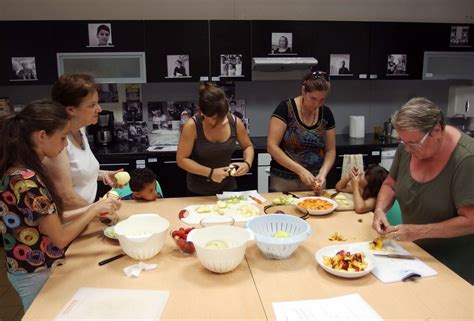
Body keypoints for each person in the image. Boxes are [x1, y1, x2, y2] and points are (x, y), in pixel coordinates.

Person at [0, 100, 120, 312]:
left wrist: (98, 206)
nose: (65, 145)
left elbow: (51, 219)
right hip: (33, 271)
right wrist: (92, 209)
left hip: (39, 266)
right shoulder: (26, 181)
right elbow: (60, 236)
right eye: (63, 138)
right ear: (42, 136)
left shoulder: (24, 170)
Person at [371, 97, 474, 284]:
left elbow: (471, 220)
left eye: (413, 143)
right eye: (403, 142)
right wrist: (379, 210)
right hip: (415, 255)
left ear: (436, 130)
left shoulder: (466, 159)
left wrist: (419, 232)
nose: (408, 149)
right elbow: (390, 184)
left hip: (454, 267)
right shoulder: (407, 148)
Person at [43, 73, 124, 211]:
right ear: (71, 109)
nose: (99, 109)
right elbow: (66, 197)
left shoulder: (81, 131)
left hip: (84, 216)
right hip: (70, 222)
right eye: (92, 105)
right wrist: (99, 211)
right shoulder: (58, 142)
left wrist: (104, 175)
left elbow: (77, 172)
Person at [176, 82, 254, 196]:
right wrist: (210, 173)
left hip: (228, 189)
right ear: (202, 112)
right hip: (199, 191)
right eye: (213, 118)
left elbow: (248, 146)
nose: (218, 121)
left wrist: (247, 164)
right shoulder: (192, 126)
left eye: (221, 117)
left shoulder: (235, 122)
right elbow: (181, 159)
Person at [267, 70, 336, 192]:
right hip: (284, 181)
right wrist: (300, 170)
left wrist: (323, 173)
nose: (317, 104)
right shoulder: (285, 109)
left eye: (322, 100)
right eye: (313, 98)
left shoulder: (326, 113)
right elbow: (272, 147)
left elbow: (330, 150)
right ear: (303, 91)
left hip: (314, 181)